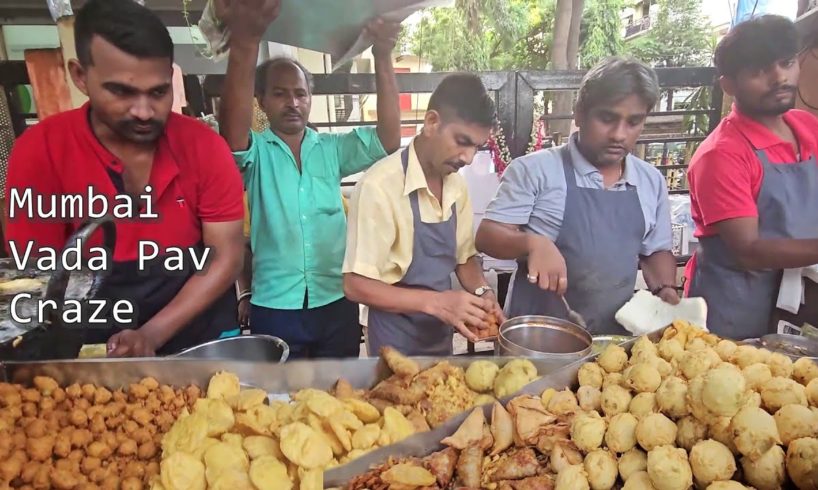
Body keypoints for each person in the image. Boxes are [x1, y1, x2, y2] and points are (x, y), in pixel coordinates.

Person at [3, 0, 245, 356]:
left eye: (158, 92)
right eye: (121, 91)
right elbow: (41, 274)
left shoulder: (205, 148)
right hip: (92, 346)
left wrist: (151, 335)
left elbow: (225, 256)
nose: (144, 111)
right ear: (80, 76)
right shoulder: (40, 151)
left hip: (198, 339)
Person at [218, 0, 401, 358]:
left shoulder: (331, 150)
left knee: (341, 395)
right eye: (280, 93)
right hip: (275, 306)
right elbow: (232, 130)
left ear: (310, 99)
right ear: (261, 101)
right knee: (281, 402)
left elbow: (388, 139)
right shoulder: (255, 153)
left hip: (335, 299)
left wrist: (382, 54)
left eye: (300, 94)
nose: (292, 102)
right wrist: (248, 40)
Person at [476, 57, 679, 335]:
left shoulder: (650, 181)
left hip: (613, 341)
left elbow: (655, 250)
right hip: (538, 340)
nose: (619, 134)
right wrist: (532, 244)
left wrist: (665, 290)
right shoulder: (535, 170)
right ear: (579, 113)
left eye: (633, 122)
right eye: (607, 118)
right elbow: (488, 235)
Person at [343, 74, 503, 356]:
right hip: (394, 341)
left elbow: (464, 258)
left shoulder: (457, 186)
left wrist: (482, 292)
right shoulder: (378, 187)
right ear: (431, 122)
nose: (467, 157)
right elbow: (356, 285)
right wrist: (438, 302)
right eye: (462, 141)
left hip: (439, 336)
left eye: (476, 147)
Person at [685, 15, 818, 339]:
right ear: (728, 85)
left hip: (798, 306)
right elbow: (749, 250)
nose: (779, 77)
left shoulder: (808, 127)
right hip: (736, 313)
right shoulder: (722, 154)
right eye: (760, 70)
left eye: (786, 63)